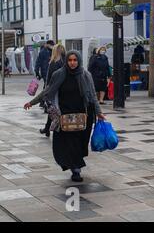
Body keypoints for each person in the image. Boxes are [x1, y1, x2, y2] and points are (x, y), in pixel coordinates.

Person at [24, 51, 106, 182]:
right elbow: (47, 91)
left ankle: (75, 165)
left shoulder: (86, 75)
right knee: (68, 144)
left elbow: (92, 96)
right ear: (66, 61)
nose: (72, 63)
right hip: (64, 117)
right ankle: (76, 170)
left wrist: (99, 112)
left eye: (75, 60)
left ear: (78, 61)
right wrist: (32, 102)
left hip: (83, 116)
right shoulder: (59, 75)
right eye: (70, 60)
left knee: (79, 144)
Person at [39, 44, 66, 138]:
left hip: (54, 91)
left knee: (52, 109)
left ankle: (50, 128)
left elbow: (49, 79)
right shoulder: (66, 61)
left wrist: (46, 89)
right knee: (54, 110)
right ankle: (47, 128)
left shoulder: (53, 62)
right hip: (64, 90)